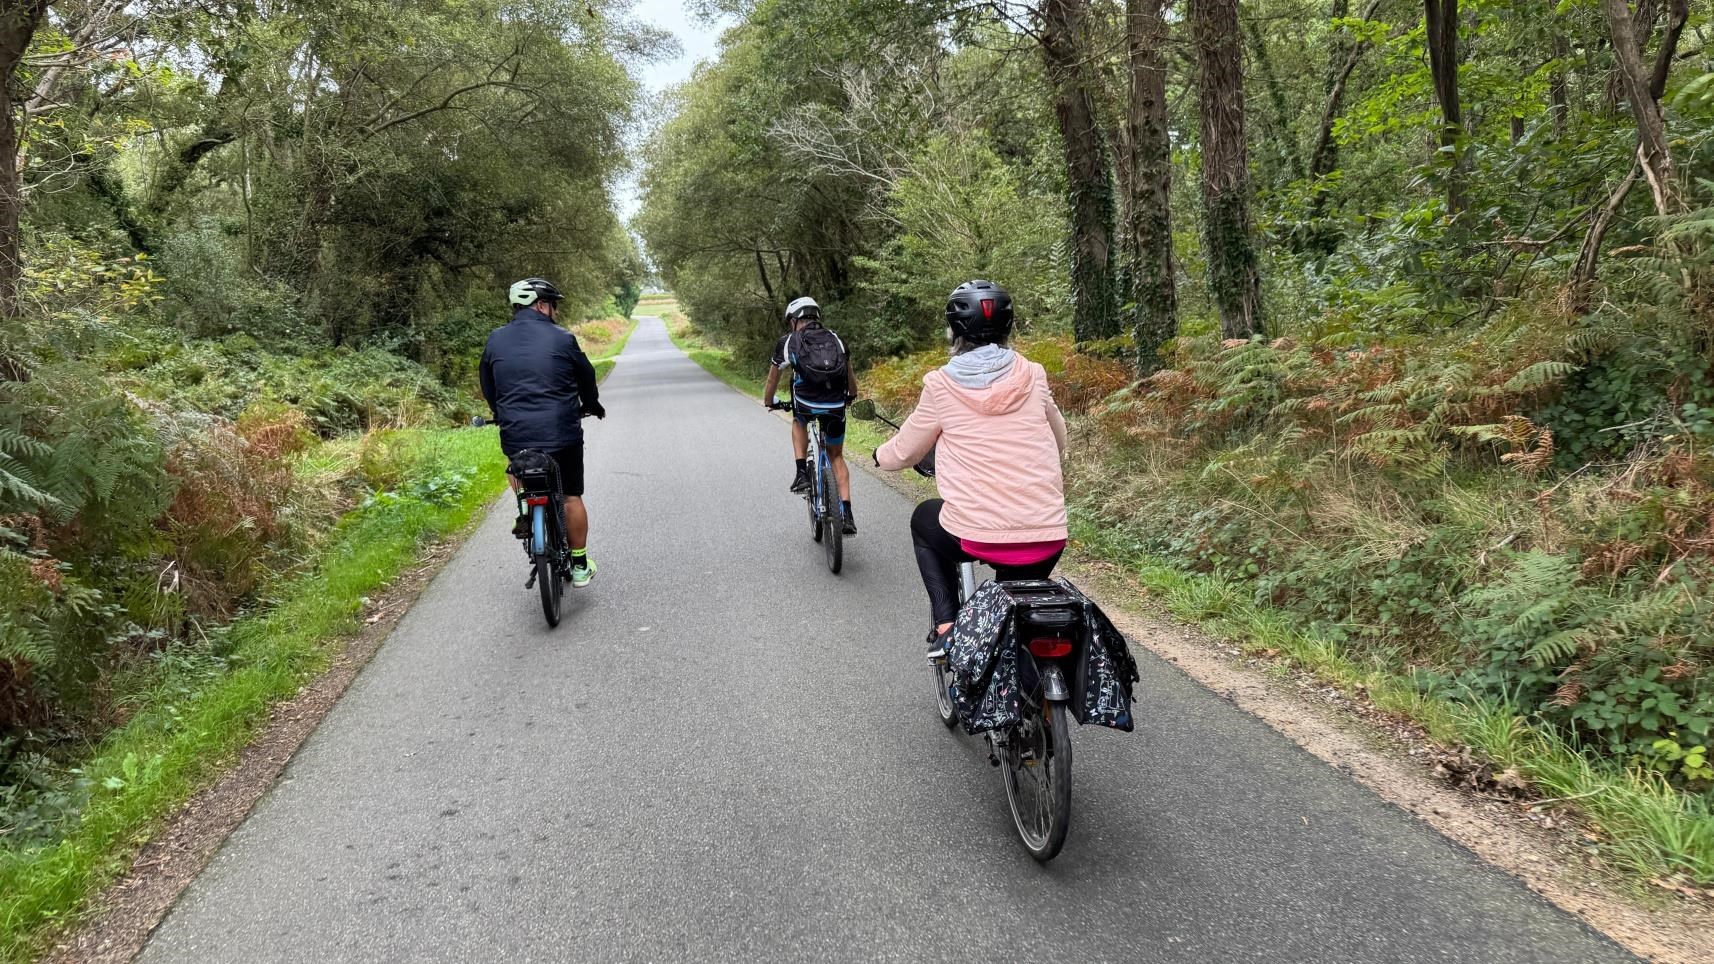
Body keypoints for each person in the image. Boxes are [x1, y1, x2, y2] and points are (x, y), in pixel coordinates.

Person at [874, 280, 1068, 657]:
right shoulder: (1034, 374)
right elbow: (1058, 439)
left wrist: (880, 456)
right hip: (1048, 534)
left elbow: (905, 452)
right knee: (1017, 601)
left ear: (953, 331)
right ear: (1009, 328)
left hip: (976, 535)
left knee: (924, 522)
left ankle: (947, 626)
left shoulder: (941, 384)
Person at [479, 277, 606, 588]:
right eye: (553, 305)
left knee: (517, 465)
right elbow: (586, 376)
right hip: (562, 433)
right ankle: (578, 566)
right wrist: (591, 405)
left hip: (516, 432)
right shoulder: (562, 339)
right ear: (540, 305)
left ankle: (525, 505)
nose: (555, 312)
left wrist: (501, 413)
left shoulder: (495, 340)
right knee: (571, 496)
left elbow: (488, 383)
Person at [763, 296, 859, 535]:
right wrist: (850, 397)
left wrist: (769, 401)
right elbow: (849, 376)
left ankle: (801, 473)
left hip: (805, 403)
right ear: (816, 317)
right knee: (836, 457)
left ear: (794, 320)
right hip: (836, 405)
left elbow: (772, 378)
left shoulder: (788, 341)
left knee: (798, 420)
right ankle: (846, 514)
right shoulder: (836, 338)